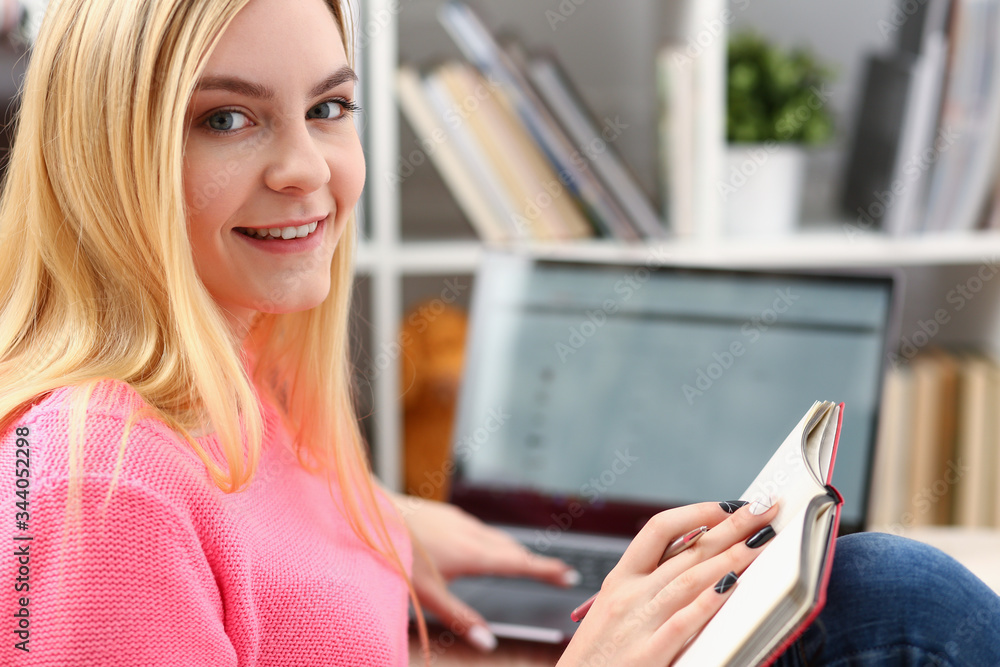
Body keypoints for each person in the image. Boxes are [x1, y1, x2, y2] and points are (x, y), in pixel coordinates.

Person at [0, 0, 998, 665]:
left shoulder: (232, 373)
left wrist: (377, 524)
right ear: (104, 151)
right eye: (226, 118)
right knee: (898, 603)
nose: (308, 169)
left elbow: (247, 536)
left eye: (328, 106)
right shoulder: (96, 495)